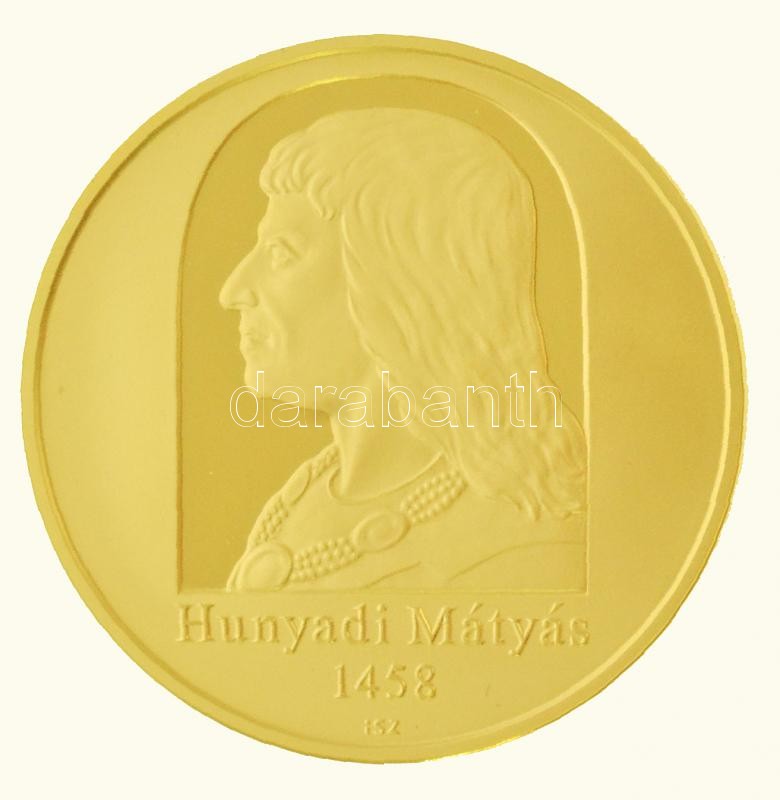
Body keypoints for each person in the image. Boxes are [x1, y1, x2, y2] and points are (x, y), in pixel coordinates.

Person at [219, 107, 586, 591]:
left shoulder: (522, 548)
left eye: (281, 253)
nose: (232, 290)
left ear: (393, 285)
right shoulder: (301, 504)